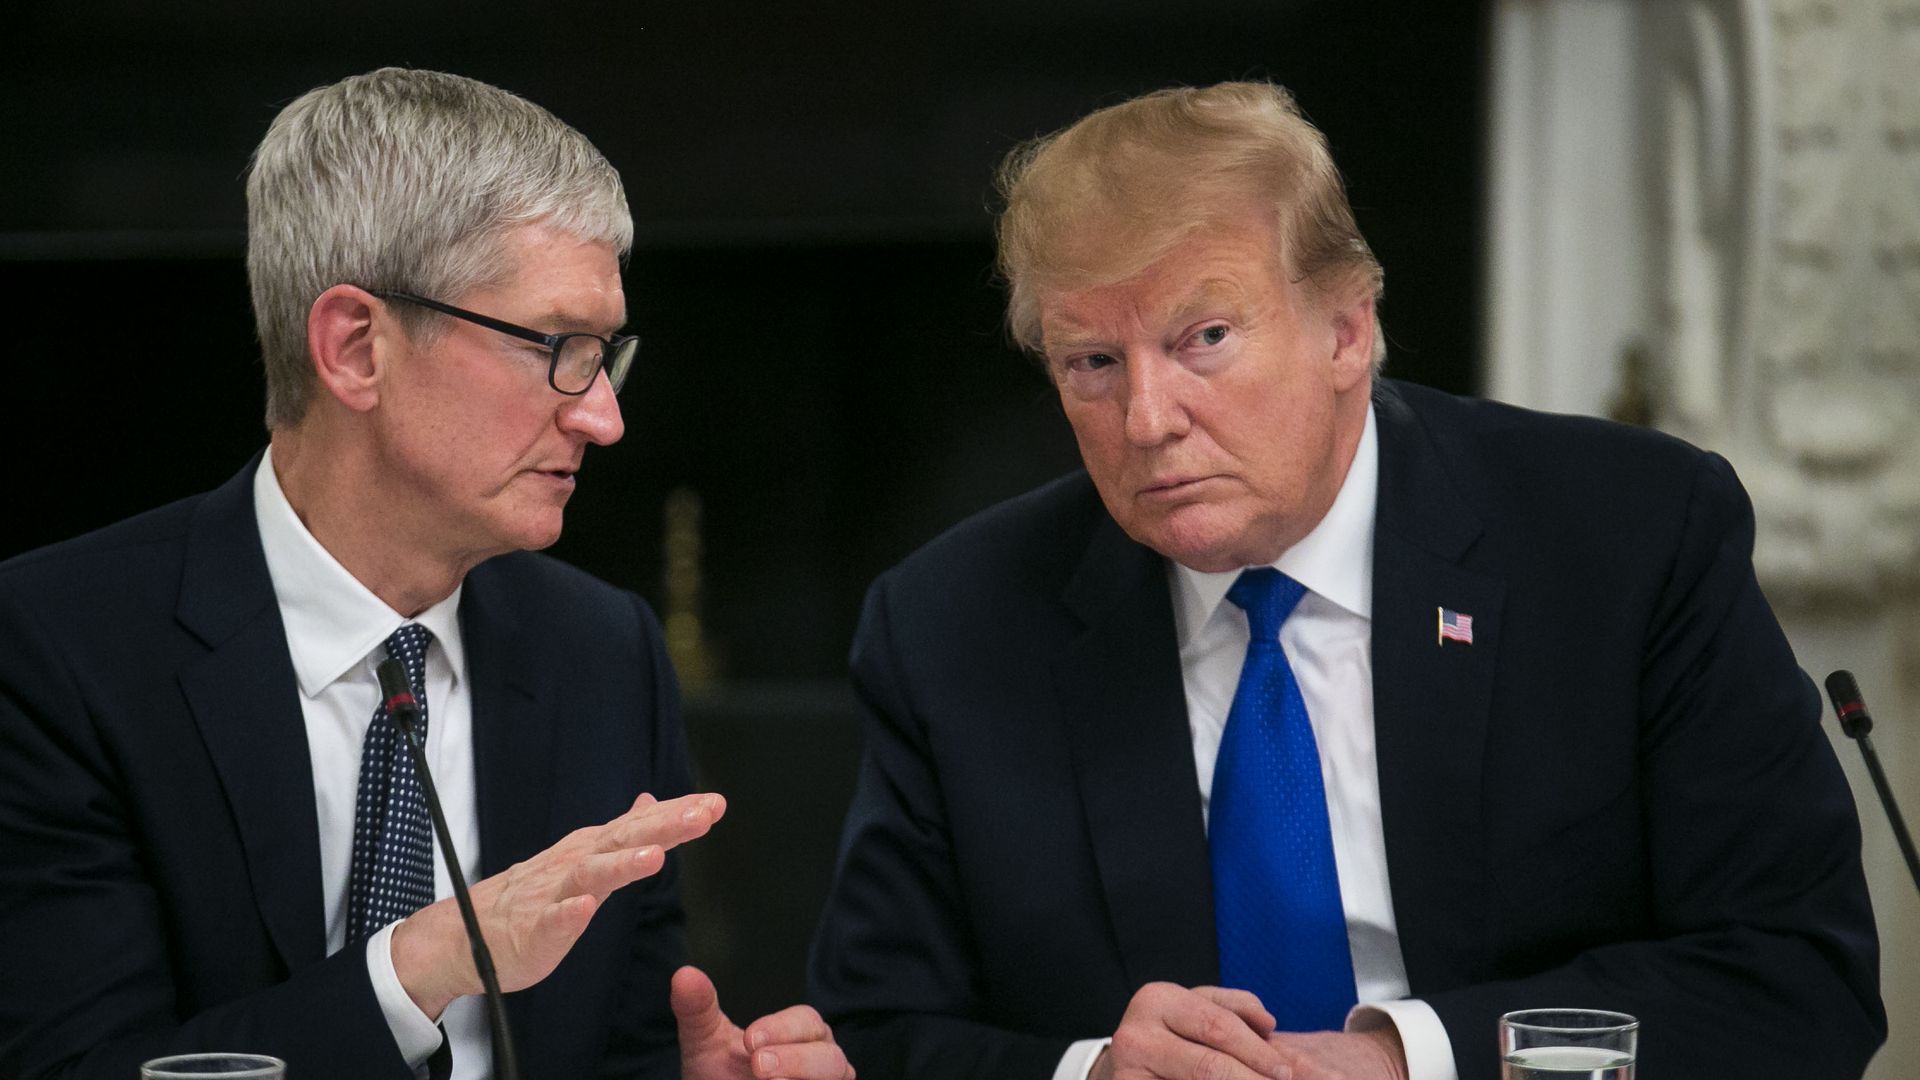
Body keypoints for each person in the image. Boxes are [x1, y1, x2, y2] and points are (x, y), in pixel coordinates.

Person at [807, 81, 1885, 1080]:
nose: (1146, 419)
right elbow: (874, 1030)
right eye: (1093, 363)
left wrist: (1407, 1058)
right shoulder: (953, 626)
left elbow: (1798, 976)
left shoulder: (1625, 540)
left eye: (1206, 338)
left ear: (1347, 329)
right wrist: (1090, 1072)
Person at [0, 68, 849, 1080]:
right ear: (357, 348)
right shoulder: (55, 651)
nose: (602, 417)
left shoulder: (601, 653)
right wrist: (424, 966)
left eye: (604, 355)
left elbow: (621, 1046)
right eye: (556, 349)